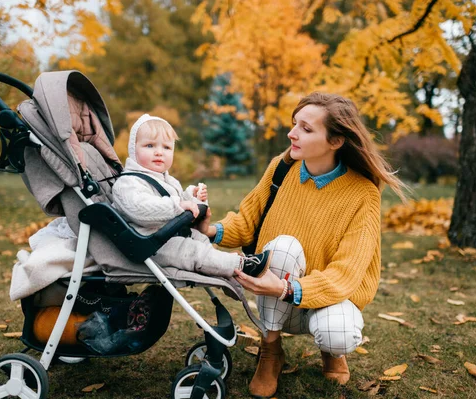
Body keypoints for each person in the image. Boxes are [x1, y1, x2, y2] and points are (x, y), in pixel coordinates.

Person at [197, 93, 407, 397]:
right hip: (280, 302)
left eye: (306, 129)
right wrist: (209, 229)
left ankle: (331, 351)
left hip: (324, 299)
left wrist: (286, 289)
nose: (292, 133)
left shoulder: (364, 194)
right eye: (295, 124)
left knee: (340, 334)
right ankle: (271, 351)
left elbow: (347, 275)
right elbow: (246, 222)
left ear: (335, 141)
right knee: (281, 248)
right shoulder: (281, 168)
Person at [112, 114, 272, 279]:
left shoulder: (168, 180)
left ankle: (226, 271)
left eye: (166, 148)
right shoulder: (128, 183)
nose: (159, 152)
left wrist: (193, 199)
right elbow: (139, 209)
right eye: (150, 145)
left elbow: (178, 202)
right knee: (193, 251)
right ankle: (241, 266)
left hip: (169, 236)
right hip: (148, 244)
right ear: (133, 148)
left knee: (199, 239)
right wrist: (179, 206)